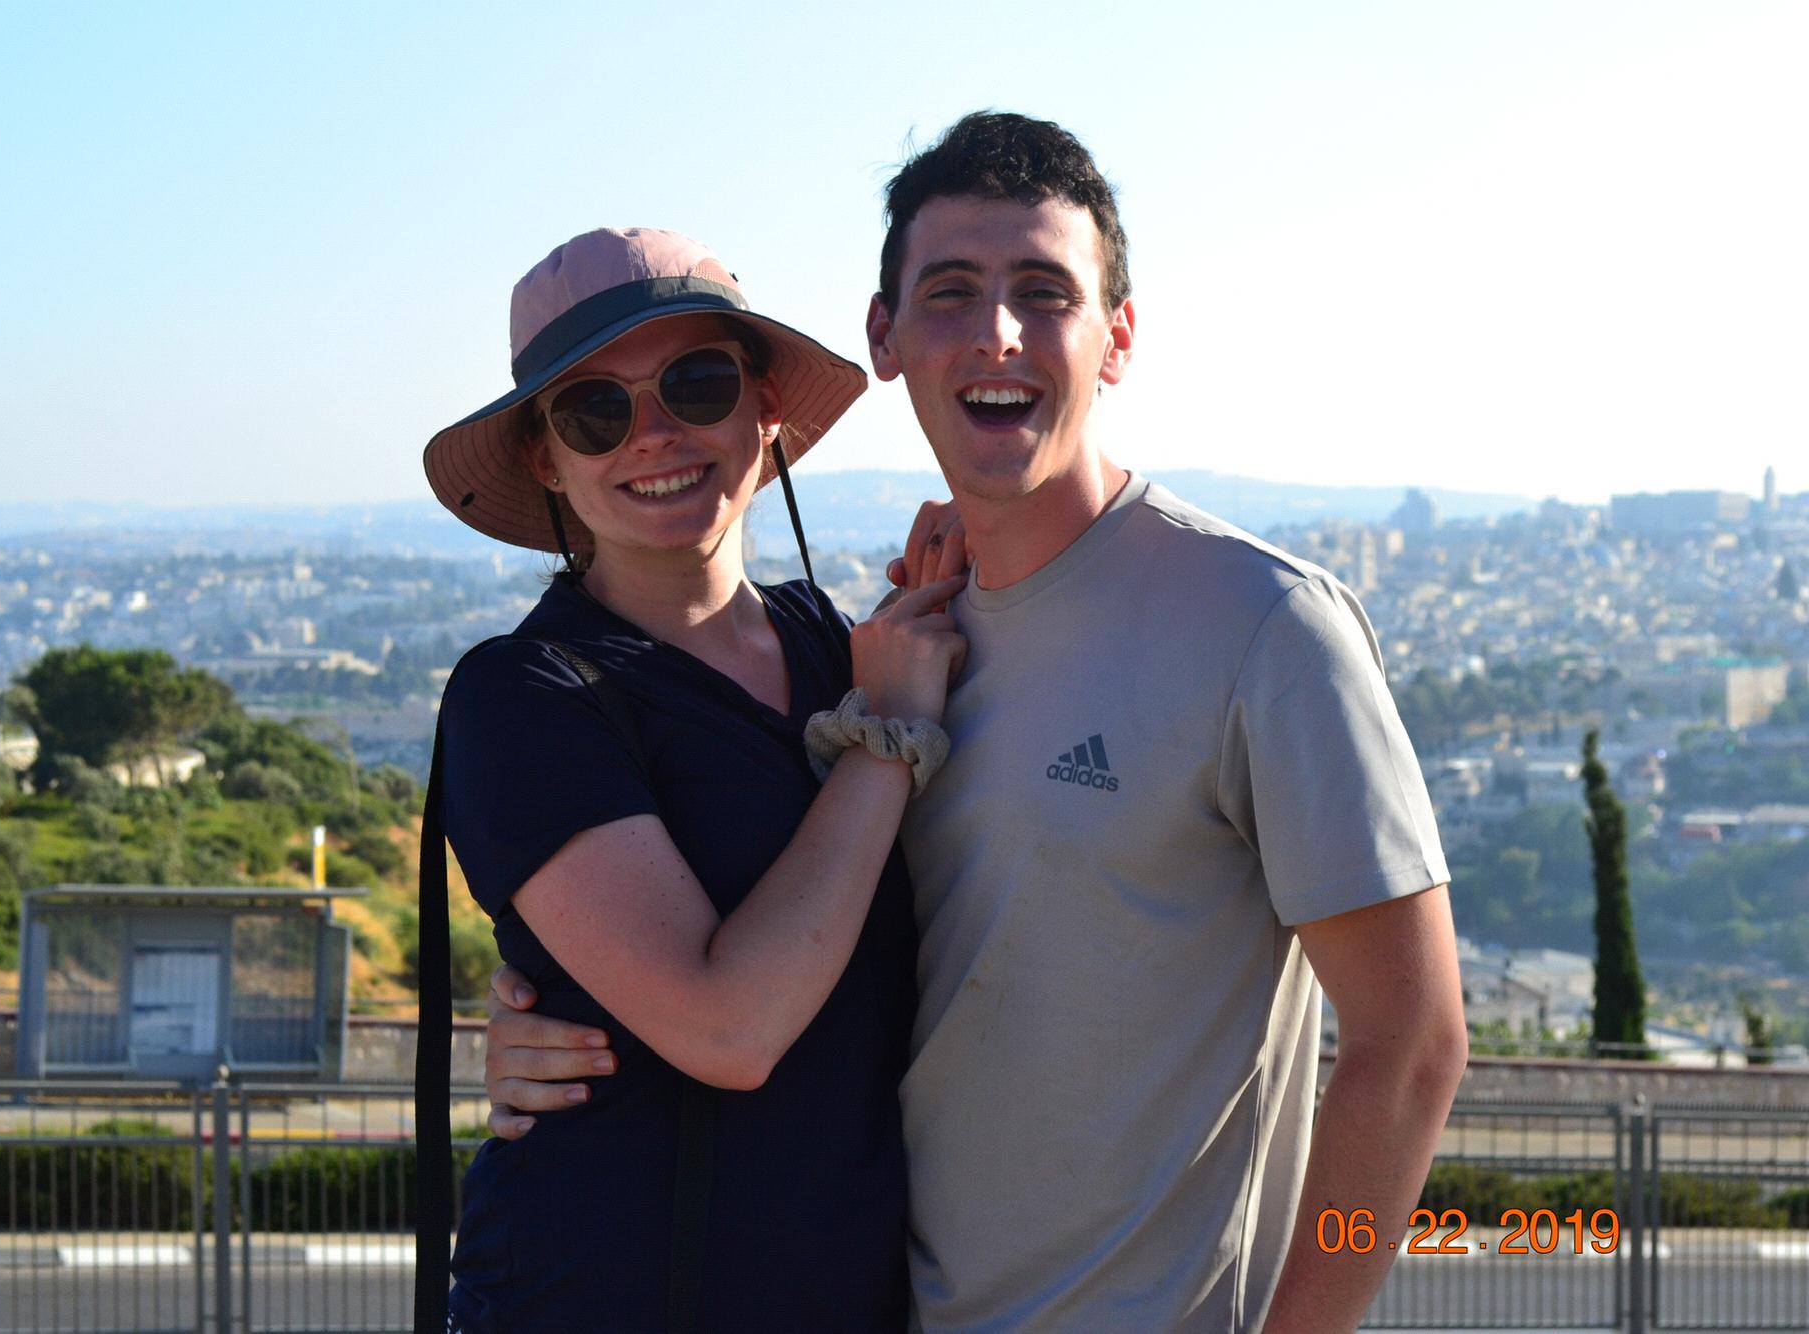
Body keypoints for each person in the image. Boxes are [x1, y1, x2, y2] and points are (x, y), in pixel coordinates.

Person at [485, 115, 1467, 1331]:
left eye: (1041, 292)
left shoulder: (1259, 628)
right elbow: (759, 946)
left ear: (1115, 337)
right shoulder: (896, 651)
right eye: (949, 291)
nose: (995, 332)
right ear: (883, 338)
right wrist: (553, 990)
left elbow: (1412, 1045)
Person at [419, 226, 967, 1332]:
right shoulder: (525, 696)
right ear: (546, 459)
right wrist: (883, 739)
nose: (653, 434)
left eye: (696, 382)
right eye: (594, 411)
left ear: (764, 406)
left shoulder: (834, 645)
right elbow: (726, 1028)